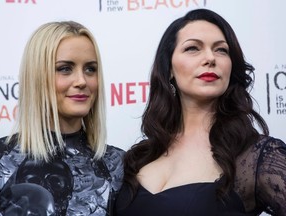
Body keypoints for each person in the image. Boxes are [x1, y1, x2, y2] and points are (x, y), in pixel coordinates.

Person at [114, 8, 286, 216]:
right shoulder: (138, 157)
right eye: (193, 48)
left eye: (221, 50)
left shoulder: (257, 156)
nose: (210, 58)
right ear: (169, 68)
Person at [0, 21, 124, 216]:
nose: (82, 81)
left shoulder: (116, 165)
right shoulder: (1, 158)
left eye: (90, 69)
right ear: (37, 76)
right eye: (65, 68)